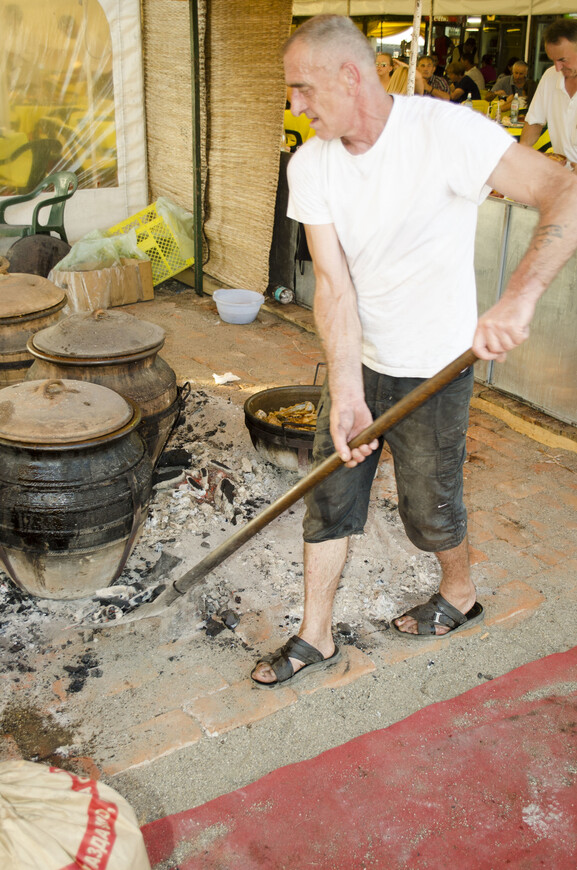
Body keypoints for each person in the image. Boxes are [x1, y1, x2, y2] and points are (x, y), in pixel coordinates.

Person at [250, 14, 577, 686]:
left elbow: (563, 191)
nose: (294, 105)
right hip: (359, 363)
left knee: (429, 510)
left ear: (349, 75)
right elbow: (333, 288)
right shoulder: (312, 165)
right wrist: (344, 391)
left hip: (435, 368)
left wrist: (518, 297)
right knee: (329, 493)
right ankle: (316, 635)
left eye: (302, 89)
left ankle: (458, 595)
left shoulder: (442, 132)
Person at [521, 19, 577, 161]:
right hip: (564, 174)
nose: (557, 67)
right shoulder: (550, 76)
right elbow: (534, 121)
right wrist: (520, 155)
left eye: (563, 60)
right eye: (553, 60)